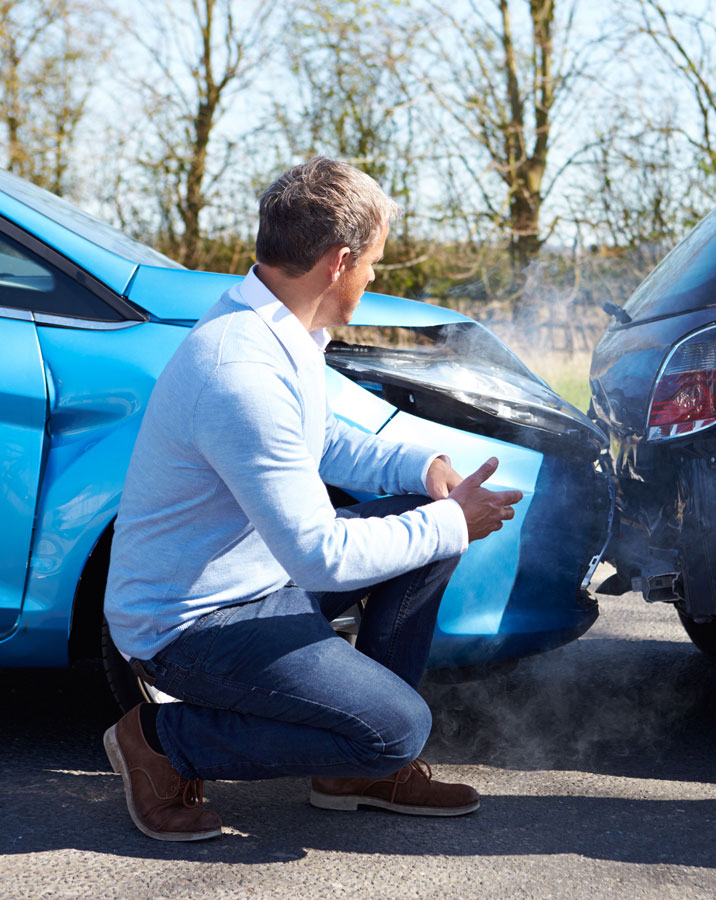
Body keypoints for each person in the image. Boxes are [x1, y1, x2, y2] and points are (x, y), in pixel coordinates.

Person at [102, 157, 523, 842]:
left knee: (419, 531)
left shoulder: (277, 328)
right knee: (398, 728)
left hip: (258, 583)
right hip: (191, 625)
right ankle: (160, 741)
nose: (374, 278)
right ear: (340, 262)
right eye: (375, 265)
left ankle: (350, 769)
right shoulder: (239, 370)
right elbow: (321, 556)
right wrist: (449, 522)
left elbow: (322, 439)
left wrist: (425, 469)